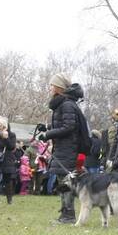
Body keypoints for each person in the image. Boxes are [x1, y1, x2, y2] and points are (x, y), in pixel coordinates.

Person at [40, 74, 86, 223]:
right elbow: (64, 124)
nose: (50, 88)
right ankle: (66, 213)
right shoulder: (64, 104)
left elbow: (69, 127)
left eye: (52, 85)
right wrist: (47, 127)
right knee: (63, 181)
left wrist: (47, 134)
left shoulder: (66, 104)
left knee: (65, 182)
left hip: (68, 148)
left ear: (59, 87)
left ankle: (68, 216)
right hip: (63, 147)